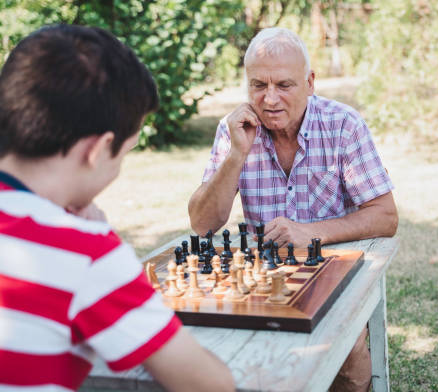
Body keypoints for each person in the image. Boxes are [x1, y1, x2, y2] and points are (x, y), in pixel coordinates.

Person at [0, 25, 234, 392]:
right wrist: (97, 238)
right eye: (124, 154)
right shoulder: (86, 253)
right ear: (97, 150)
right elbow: (209, 384)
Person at [188, 27, 398, 392]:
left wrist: (312, 233)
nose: (270, 98)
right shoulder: (233, 129)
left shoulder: (343, 126)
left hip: (334, 273)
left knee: (346, 359)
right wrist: (237, 154)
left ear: (310, 82)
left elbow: (386, 216)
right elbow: (202, 224)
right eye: (258, 85)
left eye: (284, 85)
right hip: (262, 282)